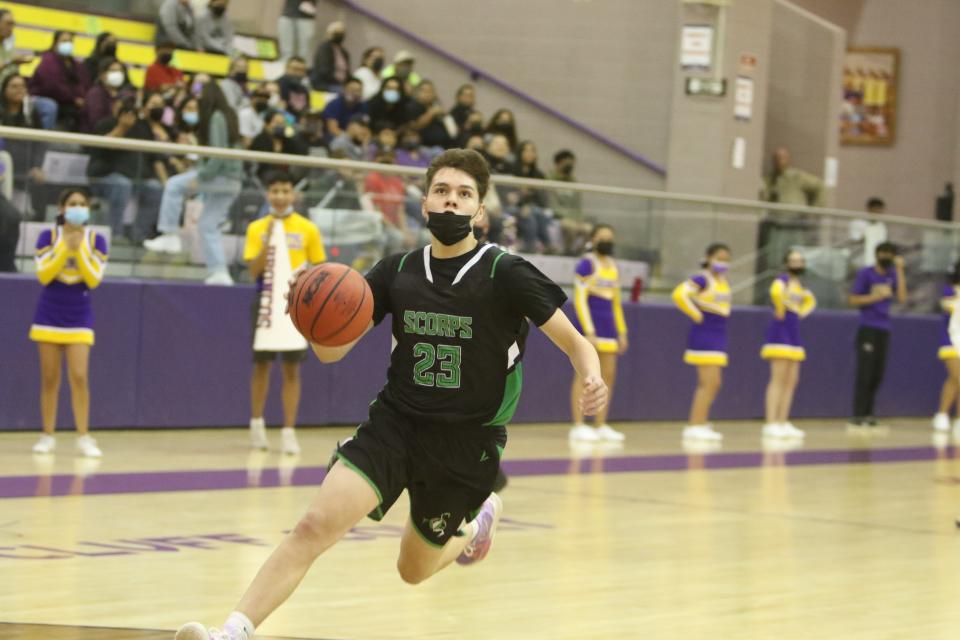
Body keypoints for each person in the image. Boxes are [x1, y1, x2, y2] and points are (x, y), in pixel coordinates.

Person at [174, 148, 608, 640]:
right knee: (314, 524)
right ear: (424, 204)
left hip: (466, 443)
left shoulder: (504, 272)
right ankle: (231, 630)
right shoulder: (396, 270)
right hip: (396, 425)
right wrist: (306, 306)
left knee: (413, 569)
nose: (451, 202)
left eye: (464, 194)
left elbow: (576, 343)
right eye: (441, 192)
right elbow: (331, 355)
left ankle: (475, 525)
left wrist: (591, 376)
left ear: (480, 211)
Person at [244, 171, 325, 455]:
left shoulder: (307, 228)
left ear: (293, 194)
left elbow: (319, 269)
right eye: (275, 190)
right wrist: (268, 242)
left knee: (292, 368)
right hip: (265, 299)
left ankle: (289, 430)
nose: (280, 196)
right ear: (268, 194)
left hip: (294, 303)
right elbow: (253, 269)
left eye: (285, 191)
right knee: (262, 365)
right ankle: (256, 424)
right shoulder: (256, 228)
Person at [29, 188, 106, 458]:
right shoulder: (46, 237)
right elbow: (44, 275)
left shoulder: (97, 240)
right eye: (73, 204)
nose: (78, 208)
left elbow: (94, 279)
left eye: (82, 204)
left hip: (79, 315)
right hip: (49, 314)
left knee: (79, 376)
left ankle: (83, 436)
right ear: (62, 209)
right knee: (50, 378)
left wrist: (79, 250)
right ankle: (47, 435)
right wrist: (65, 249)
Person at [144, 81, 243, 285]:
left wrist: (202, 177)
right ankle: (220, 272)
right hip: (233, 180)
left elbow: (218, 155)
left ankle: (169, 233)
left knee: (173, 185)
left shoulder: (216, 117)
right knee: (207, 225)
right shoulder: (229, 116)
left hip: (221, 176)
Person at [569, 223, 627, 443]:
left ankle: (601, 424)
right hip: (590, 327)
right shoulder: (586, 264)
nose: (607, 242)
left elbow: (617, 303)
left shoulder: (613, 266)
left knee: (608, 375)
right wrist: (588, 330)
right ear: (592, 240)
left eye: (610, 238)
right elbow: (580, 299)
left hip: (609, 328)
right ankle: (578, 425)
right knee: (585, 375)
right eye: (602, 237)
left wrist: (622, 331)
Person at [672, 243, 732, 442]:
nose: (722, 262)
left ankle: (701, 421)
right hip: (705, 334)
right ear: (708, 257)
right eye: (719, 258)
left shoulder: (722, 280)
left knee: (715, 383)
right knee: (708, 382)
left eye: (726, 259)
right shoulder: (702, 279)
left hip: (719, 333)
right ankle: (694, 425)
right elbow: (679, 294)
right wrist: (696, 314)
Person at [847, 241, 907, 428]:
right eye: (883, 253)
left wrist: (900, 270)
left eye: (890, 254)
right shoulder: (866, 273)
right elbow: (853, 299)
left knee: (878, 373)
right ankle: (858, 414)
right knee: (865, 372)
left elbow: (903, 297)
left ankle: (869, 413)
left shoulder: (892, 274)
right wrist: (876, 296)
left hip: (884, 328)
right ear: (877, 254)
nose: (886, 257)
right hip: (868, 327)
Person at [760, 249, 815, 439]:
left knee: (792, 380)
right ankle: (771, 422)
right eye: (793, 260)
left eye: (800, 261)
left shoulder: (799, 285)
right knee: (778, 378)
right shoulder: (782, 280)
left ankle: (783, 421)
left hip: (794, 333)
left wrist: (801, 312)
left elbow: (810, 301)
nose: (797, 264)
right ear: (786, 263)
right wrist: (781, 309)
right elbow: (775, 292)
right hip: (780, 332)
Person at [27, 31, 90, 131]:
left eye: (70, 41)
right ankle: (42, 140)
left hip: (67, 101)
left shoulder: (76, 64)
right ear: (55, 43)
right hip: (44, 97)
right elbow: (51, 86)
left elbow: (83, 83)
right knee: (51, 106)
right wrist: (74, 99)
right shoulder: (48, 60)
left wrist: (82, 97)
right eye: (64, 41)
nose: (68, 44)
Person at [932, 260, 960, 433]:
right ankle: (942, 414)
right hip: (950, 340)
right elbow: (946, 305)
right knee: (957, 376)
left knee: (953, 380)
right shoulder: (950, 289)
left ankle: (952, 418)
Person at [547, 149, 590, 255]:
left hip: (573, 217)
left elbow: (577, 205)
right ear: (558, 163)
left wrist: (579, 219)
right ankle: (567, 252)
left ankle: (578, 253)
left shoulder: (573, 182)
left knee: (588, 229)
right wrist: (566, 217)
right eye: (566, 163)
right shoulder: (549, 180)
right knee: (570, 227)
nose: (569, 166)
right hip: (558, 217)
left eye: (571, 163)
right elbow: (552, 203)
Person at [81, 58, 133, 133]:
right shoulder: (95, 94)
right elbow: (96, 123)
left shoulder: (124, 94)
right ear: (102, 75)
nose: (118, 74)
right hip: (94, 138)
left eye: (120, 71)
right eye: (113, 71)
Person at [406, 80, 454, 149]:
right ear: (417, 92)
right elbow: (415, 126)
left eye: (431, 91)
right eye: (424, 91)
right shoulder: (412, 106)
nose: (428, 94)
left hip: (442, 146)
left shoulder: (436, 106)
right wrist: (432, 113)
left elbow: (452, 129)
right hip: (423, 147)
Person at [310, 21, 350, 92]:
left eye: (341, 32)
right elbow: (324, 71)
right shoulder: (325, 49)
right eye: (337, 32)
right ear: (329, 34)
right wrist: (339, 82)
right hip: (325, 83)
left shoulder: (343, 52)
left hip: (341, 84)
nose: (339, 35)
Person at [849, 197, 888, 267]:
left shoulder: (882, 226)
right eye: (876, 209)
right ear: (869, 208)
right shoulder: (857, 222)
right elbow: (855, 239)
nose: (878, 212)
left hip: (875, 264)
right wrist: (868, 232)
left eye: (880, 209)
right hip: (858, 261)